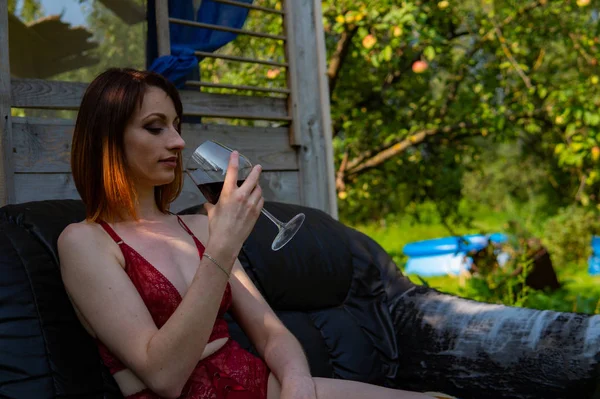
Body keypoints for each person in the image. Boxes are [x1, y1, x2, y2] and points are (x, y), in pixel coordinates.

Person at [57, 68, 449, 399]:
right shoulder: (84, 242)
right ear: (107, 140)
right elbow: (164, 377)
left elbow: (271, 333)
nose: (177, 142)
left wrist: (298, 386)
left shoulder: (197, 226)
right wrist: (224, 245)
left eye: (176, 127)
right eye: (155, 128)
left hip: (263, 388)